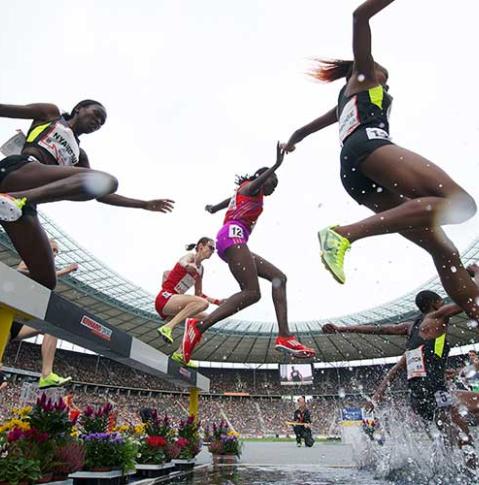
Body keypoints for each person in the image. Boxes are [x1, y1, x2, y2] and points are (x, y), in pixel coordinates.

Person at [282, 0, 479, 323]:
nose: (384, 85)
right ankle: (345, 234)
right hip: (371, 147)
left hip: (354, 173)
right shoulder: (362, 77)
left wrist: (295, 138)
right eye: (381, 76)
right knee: (461, 204)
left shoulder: (343, 101)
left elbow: (308, 127)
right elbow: (360, 16)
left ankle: (475, 312)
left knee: (445, 251)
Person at [0, 99, 174, 293]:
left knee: (45, 280)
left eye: (101, 123)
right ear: (78, 109)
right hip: (18, 170)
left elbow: (101, 195)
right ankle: (16, 198)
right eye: (96, 115)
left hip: (21, 205)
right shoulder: (50, 114)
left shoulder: (79, 156)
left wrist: (143, 204)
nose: (97, 123)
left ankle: (15, 201)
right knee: (107, 180)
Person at [324, 267, 479, 466]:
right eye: (441, 302)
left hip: (419, 397)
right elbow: (470, 298)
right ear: (435, 304)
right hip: (435, 393)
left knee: (452, 435)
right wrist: (475, 274)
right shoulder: (437, 317)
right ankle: (469, 469)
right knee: (463, 437)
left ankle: (453, 469)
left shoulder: (410, 328)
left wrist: (342, 329)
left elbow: (379, 331)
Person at [180, 143, 315, 363]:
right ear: (262, 177)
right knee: (252, 292)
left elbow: (231, 198)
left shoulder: (245, 190)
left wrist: (215, 207)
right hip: (231, 237)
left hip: (235, 239)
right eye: (273, 182)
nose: (274, 187)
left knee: (279, 278)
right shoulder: (252, 186)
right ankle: (198, 326)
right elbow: (257, 183)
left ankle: (284, 336)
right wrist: (276, 165)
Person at [9, 239, 78, 389]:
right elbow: (22, 271)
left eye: (56, 252)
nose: (54, 254)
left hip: (18, 323)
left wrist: (64, 271)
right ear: (44, 246)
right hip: (7, 317)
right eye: (52, 249)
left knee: (53, 326)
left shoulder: (46, 270)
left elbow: (46, 275)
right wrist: (64, 271)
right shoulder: (31, 258)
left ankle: (46, 375)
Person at [156, 237, 223, 347]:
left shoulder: (200, 270)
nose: (212, 251)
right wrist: (187, 266)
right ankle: (168, 327)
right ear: (201, 247)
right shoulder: (190, 257)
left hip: (174, 306)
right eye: (211, 248)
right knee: (203, 303)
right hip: (165, 299)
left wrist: (217, 302)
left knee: (206, 319)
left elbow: (199, 294)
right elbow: (182, 261)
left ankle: (182, 352)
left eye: (214, 250)